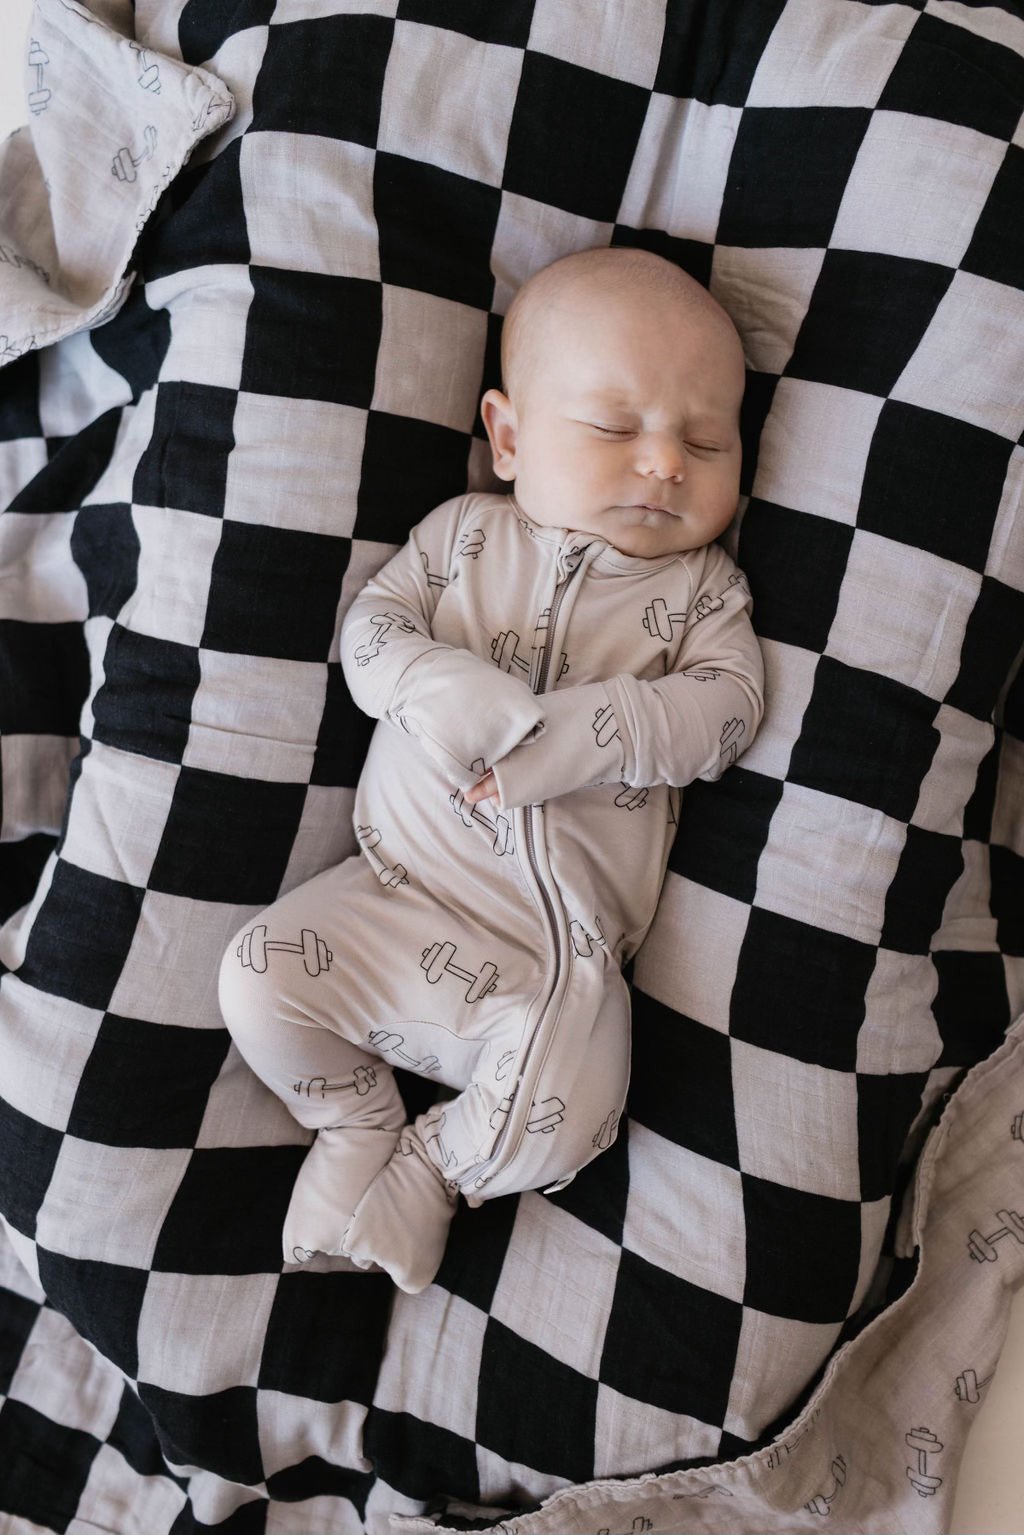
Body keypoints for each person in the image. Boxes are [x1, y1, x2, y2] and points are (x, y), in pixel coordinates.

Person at [218, 246, 765, 1293]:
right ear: (509, 438)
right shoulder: (461, 538)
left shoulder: (704, 591)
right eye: (616, 428)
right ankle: (355, 1118)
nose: (665, 462)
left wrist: (600, 726)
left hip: (552, 956)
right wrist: (430, 680)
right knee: (255, 972)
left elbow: (728, 709)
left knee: (576, 1104)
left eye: (707, 441)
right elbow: (370, 633)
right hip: (393, 897)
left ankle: (432, 1166)